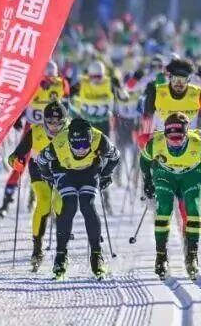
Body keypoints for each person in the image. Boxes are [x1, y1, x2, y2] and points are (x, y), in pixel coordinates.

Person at [37, 118, 120, 280]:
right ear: (69, 141)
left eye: (85, 145)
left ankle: (96, 254)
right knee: (70, 205)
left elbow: (116, 156)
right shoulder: (59, 143)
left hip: (89, 170)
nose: (81, 150)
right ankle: (61, 255)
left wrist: (106, 174)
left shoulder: (99, 139)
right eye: (76, 146)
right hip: (65, 170)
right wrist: (47, 176)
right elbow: (41, 160)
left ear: (90, 139)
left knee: (87, 205)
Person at [140, 112, 201, 279]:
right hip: (165, 175)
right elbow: (144, 161)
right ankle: (161, 256)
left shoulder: (198, 144)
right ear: (165, 134)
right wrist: (147, 182)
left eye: (179, 138)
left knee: (193, 209)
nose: (175, 142)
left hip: (191, 174)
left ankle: (192, 255)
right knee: (164, 209)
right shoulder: (156, 143)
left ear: (187, 134)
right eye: (171, 138)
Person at [5, 102, 69, 271]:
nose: (54, 127)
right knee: (44, 200)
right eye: (50, 122)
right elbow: (14, 156)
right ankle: (37, 249)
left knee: (59, 202)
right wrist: (16, 162)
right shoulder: (35, 132)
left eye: (59, 123)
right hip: (39, 170)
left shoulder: (71, 132)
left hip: (62, 171)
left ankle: (62, 251)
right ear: (44, 121)